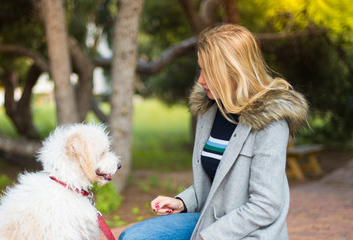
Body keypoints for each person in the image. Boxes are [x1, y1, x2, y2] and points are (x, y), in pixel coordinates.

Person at [119, 24, 308, 240]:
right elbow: (215, 182)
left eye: (209, 71)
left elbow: (265, 206)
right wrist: (182, 202)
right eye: (201, 69)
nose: (200, 80)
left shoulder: (270, 123)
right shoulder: (209, 110)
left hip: (248, 232)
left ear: (235, 71)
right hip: (210, 219)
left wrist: (208, 236)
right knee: (132, 237)